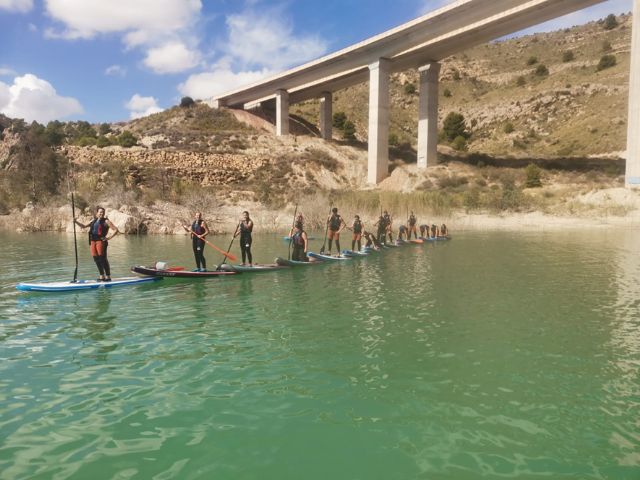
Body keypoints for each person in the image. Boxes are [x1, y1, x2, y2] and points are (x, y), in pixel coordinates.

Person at [74, 206, 120, 281]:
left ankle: (108, 276)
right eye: (100, 212)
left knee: (102, 258)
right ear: (97, 213)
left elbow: (116, 230)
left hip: (101, 241)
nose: (101, 213)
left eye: (103, 212)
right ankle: (102, 275)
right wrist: (75, 222)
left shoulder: (106, 221)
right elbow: (83, 226)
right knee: (96, 259)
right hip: (92, 241)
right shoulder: (94, 220)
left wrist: (108, 238)